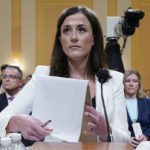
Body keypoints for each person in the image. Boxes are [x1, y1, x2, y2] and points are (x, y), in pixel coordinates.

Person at [0, 6, 130, 143]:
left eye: (81, 30)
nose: (73, 37)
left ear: (93, 39)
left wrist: (106, 131)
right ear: (61, 40)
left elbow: (126, 139)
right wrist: (15, 122)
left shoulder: (113, 80)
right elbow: (3, 118)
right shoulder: (43, 75)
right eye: (67, 30)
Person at [123, 69, 150, 148]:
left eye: (135, 81)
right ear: (123, 84)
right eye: (127, 81)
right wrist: (127, 139)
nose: (131, 84)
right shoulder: (118, 104)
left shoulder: (148, 102)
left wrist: (146, 136)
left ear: (139, 84)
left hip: (146, 144)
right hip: (125, 144)